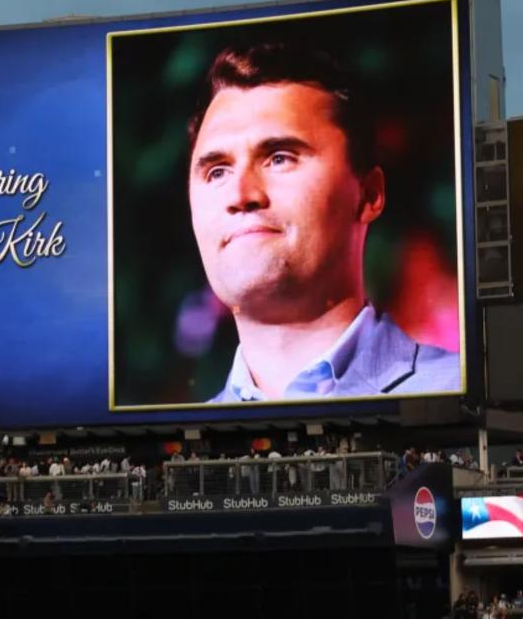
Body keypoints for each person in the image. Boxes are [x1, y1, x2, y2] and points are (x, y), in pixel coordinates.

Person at [185, 43, 460, 403]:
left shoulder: (458, 396)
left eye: (279, 158)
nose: (240, 194)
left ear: (369, 194)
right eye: (217, 171)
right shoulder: (180, 439)